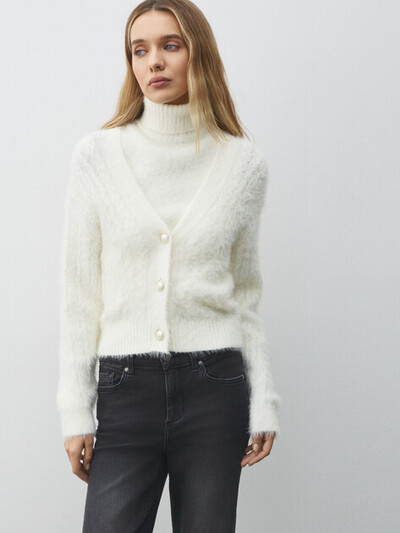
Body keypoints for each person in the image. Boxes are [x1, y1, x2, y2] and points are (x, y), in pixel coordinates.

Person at [56, 0, 282, 531]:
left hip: (215, 387)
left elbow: (244, 294)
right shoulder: (97, 156)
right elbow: (79, 293)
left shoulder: (243, 164)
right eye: (140, 50)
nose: (153, 61)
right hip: (124, 387)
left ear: (198, 54)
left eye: (170, 45)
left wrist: (264, 400)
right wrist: (75, 410)